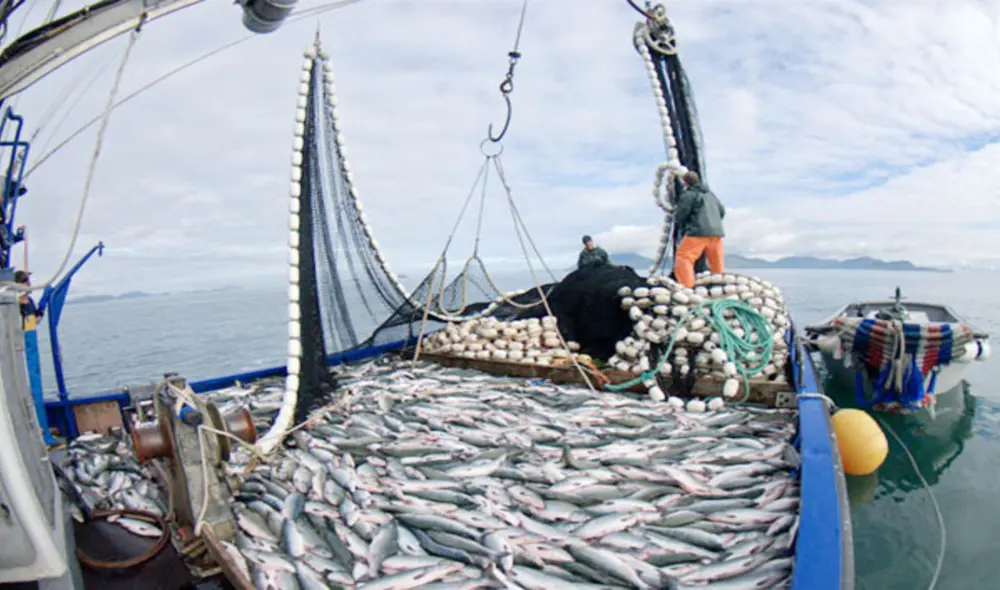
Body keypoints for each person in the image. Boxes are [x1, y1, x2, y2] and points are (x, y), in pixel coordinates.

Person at [672, 170, 725, 288]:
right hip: (716, 234)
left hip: (697, 232)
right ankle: (720, 287)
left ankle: (687, 287)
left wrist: (682, 223)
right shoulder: (711, 195)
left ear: (685, 182)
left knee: (684, 258)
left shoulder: (689, 195)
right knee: (716, 263)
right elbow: (721, 211)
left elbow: (681, 215)